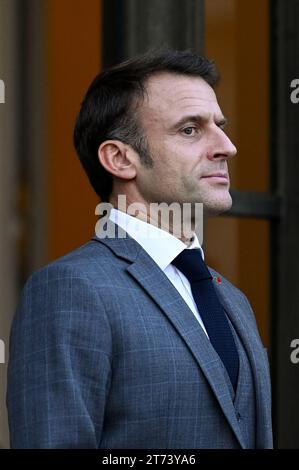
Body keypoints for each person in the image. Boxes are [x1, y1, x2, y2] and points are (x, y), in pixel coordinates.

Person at [7, 49, 273, 449]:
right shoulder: (70, 289)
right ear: (120, 158)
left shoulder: (231, 299)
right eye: (190, 129)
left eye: (220, 125)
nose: (227, 147)